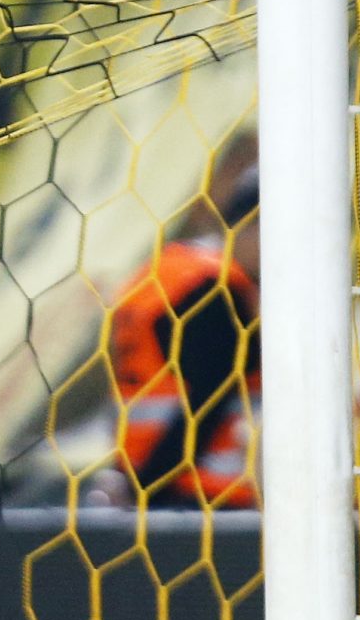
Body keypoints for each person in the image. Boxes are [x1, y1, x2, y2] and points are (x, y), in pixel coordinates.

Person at [109, 171, 260, 508]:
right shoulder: (214, 289)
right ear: (250, 226)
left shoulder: (170, 270)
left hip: (144, 473)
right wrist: (147, 487)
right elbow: (206, 403)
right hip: (203, 492)